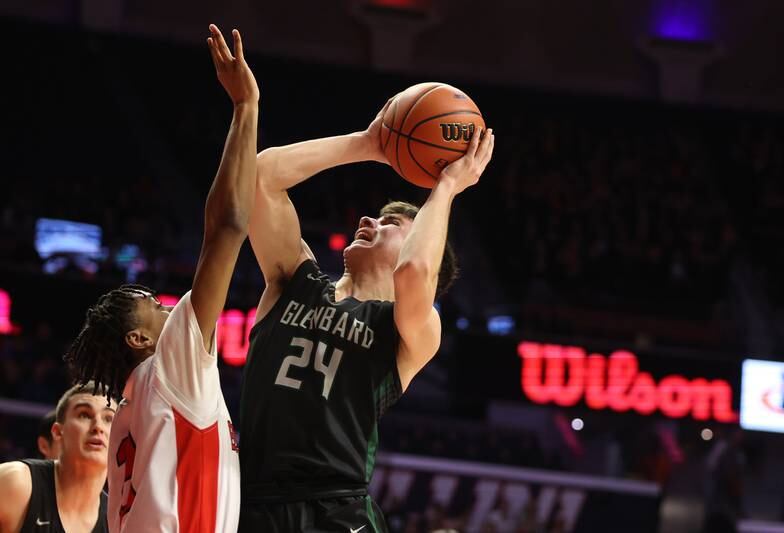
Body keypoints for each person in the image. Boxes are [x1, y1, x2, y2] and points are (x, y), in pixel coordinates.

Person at [238, 96, 494, 532]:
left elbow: (415, 271)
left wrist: (446, 187)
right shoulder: (292, 281)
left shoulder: (411, 330)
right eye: (377, 216)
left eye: (390, 223)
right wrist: (368, 144)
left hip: (335, 511)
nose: (368, 221)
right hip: (251, 502)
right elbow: (260, 176)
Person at [62, 24, 259, 532]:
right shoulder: (171, 364)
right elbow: (230, 226)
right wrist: (245, 107)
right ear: (140, 338)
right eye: (154, 302)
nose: (169, 306)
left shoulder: (134, 405)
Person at [0, 382, 116, 532]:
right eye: (84, 415)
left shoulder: (117, 523)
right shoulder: (16, 483)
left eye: (108, 419)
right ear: (57, 432)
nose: (98, 426)